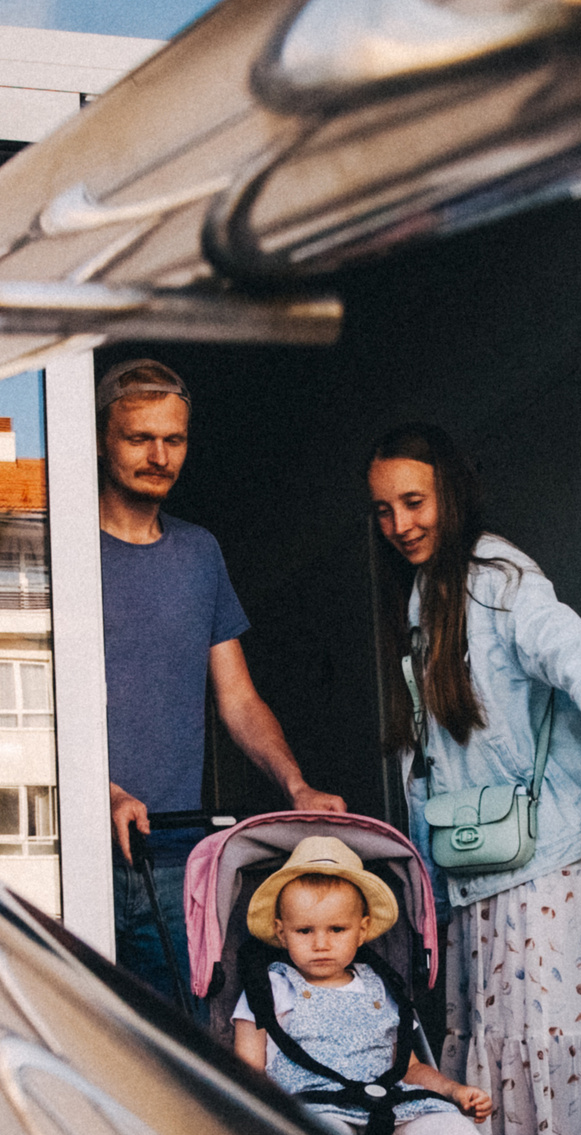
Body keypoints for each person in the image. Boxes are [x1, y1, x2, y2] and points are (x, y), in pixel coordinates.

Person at [369, 423, 581, 1135]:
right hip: (484, 878)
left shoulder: (495, 574)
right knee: (506, 1079)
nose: (399, 524)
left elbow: (555, 634)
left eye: (414, 501)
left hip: (549, 873)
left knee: (565, 1068)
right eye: (385, 510)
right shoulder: (423, 597)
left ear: (452, 493)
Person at [232, 837, 581, 1135]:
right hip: (316, 1106)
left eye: (337, 930)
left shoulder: (378, 987)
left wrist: (452, 1090)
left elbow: (404, 1066)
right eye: (305, 932)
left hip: (392, 1104)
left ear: (363, 929)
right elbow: (247, 1068)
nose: (321, 944)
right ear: (281, 931)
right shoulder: (271, 988)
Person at [97, 358, 342, 995]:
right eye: (138, 438)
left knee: (178, 1052)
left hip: (175, 860)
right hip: (75, 850)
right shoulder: (60, 548)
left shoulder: (199, 552)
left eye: (173, 439)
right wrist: (98, 790)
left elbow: (239, 700)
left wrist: (296, 785)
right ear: (101, 439)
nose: (158, 455)